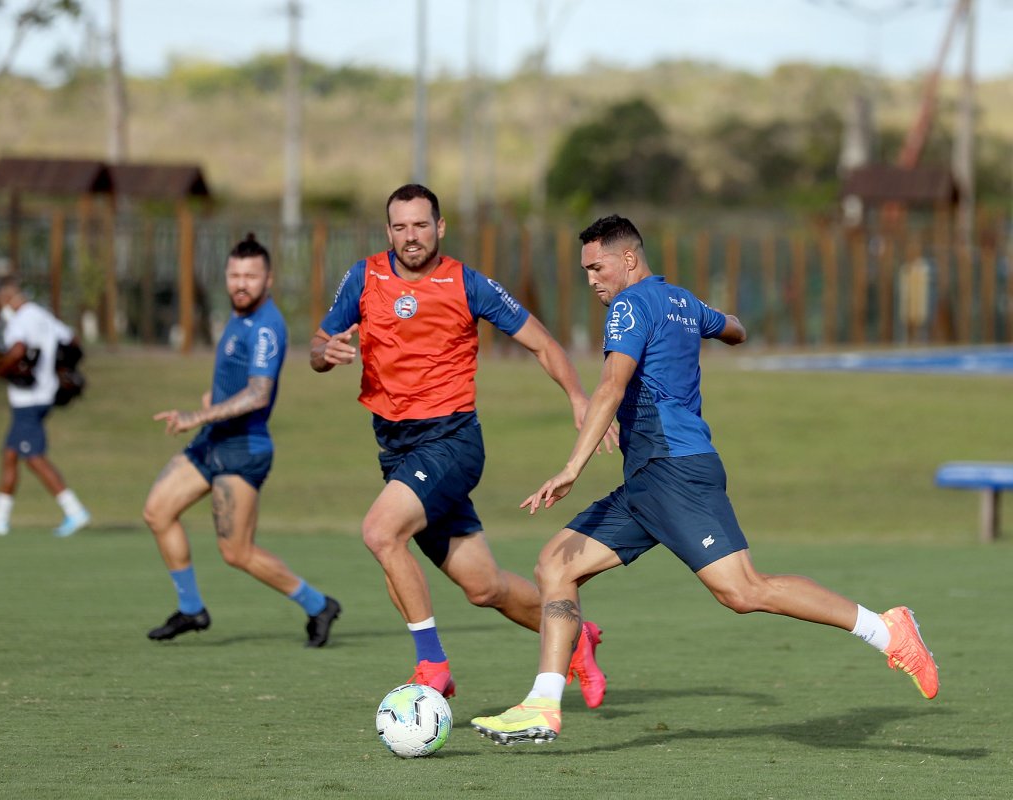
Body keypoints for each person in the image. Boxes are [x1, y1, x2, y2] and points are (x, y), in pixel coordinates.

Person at [471, 214, 939, 746]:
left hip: (675, 470)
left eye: (597, 267)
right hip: (649, 478)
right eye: (585, 270)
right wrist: (715, 324)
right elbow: (734, 328)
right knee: (556, 564)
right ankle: (543, 705)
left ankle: (887, 628)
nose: (592, 280)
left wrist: (572, 467)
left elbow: (610, 386)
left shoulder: (630, 305)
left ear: (628, 259)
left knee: (743, 591)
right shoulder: (682, 301)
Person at [310, 184, 610, 706]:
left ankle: (433, 665)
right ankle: (577, 634)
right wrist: (325, 352)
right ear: (388, 232)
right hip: (398, 450)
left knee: (382, 533)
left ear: (440, 227)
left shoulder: (467, 283)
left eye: (421, 225)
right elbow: (318, 344)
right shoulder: (363, 276)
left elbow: (541, 341)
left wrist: (579, 398)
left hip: (451, 441)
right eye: (400, 227)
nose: (411, 237)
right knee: (484, 587)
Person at [144, 234, 341, 646]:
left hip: (242, 450)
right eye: (234, 274)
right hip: (212, 441)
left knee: (236, 552)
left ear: (268, 279)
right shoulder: (237, 316)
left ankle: (318, 604)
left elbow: (258, 393)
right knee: (157, 512)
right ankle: (191, 609)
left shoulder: (267, 326)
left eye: (251, 276)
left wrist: (196, 415)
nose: (241, 283)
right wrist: (210, 403)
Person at [0, 276, 91, 538]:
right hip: (44, 393)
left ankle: (74, 511)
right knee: (11, 454)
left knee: (33, 456)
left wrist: (0, 370)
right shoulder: (41, 314)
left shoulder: (20, 320)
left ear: (5, 297)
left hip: (29, 398)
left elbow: (17, 350)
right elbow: (71, 340)